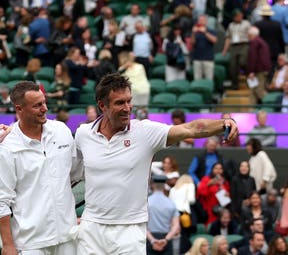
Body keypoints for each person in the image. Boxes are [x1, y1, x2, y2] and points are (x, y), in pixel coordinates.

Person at [74, 73, 239, 255]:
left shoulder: (145, 132)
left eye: (129, 101)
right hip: (91, 228)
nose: (127, 108)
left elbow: (189, 128)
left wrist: (223, 123)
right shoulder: (83, 134)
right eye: (120, 103)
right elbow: (72, 174)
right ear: (102, 106)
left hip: (130, 230)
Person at [0, 81, 82, 255]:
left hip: (68, 236)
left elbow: (75, 173)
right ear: (19, 109)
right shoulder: (6, 149)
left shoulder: (62, 131)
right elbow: (1, 201)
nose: (45, 108)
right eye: (37, 105)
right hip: (31, 244)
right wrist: (8, 245)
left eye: (44, 102)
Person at [146, 175, 180, 255]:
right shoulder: (171, 203)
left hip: (150, 239)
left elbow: (142, 225)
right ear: (164, 186)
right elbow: (176, 225)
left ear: (153, 185)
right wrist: (166, 240)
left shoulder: (147, 202)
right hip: (166, 239)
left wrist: (152, 240)